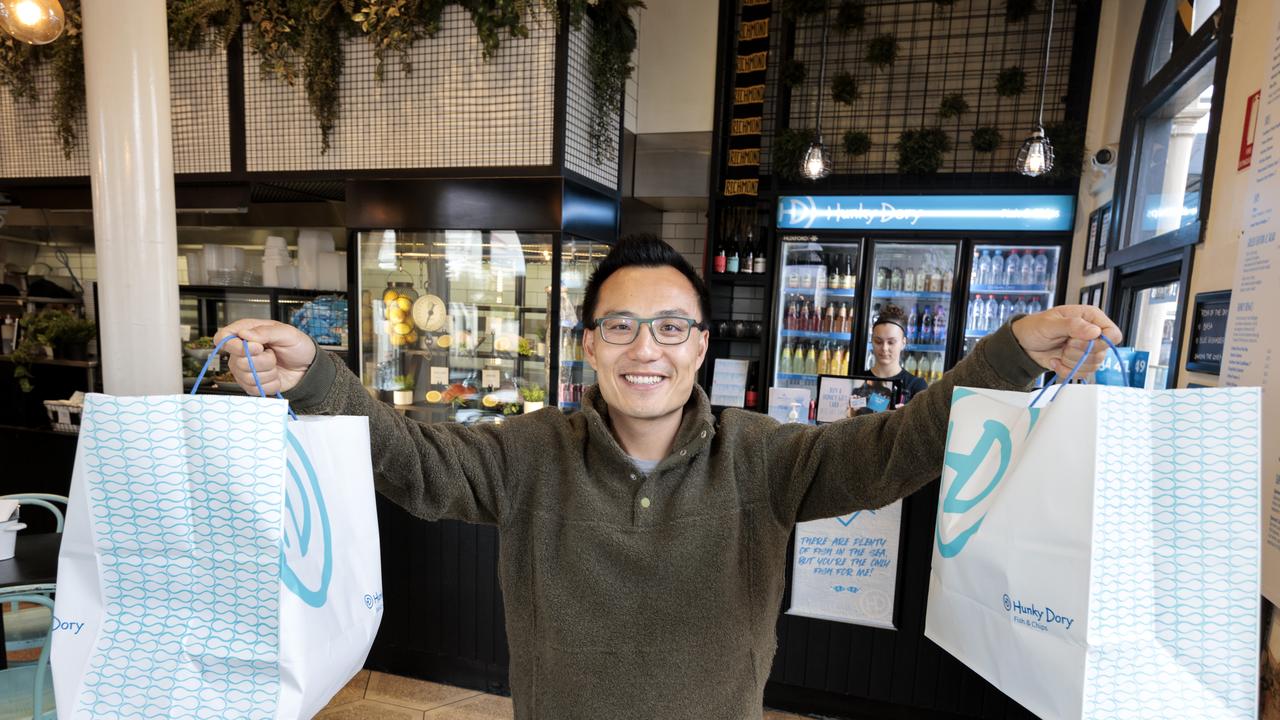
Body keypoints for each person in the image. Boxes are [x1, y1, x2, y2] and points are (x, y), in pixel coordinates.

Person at [216, 235, 1120, 720]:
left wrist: (1004, 359)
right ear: (588, 346)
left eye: (671, 328)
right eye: (619, 326)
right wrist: (320, 380)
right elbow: (414, 463)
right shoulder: (531, 453)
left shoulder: (765, 457)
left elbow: (899, 446)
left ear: (699, 349)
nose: (644, 349)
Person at [869, 303, 929, 404]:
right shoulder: (858, 379)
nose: (884, 348)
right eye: (878, 341)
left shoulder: (916, 386)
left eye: (891, 342)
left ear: (903, 343)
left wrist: (905, 416)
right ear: (872, 341)